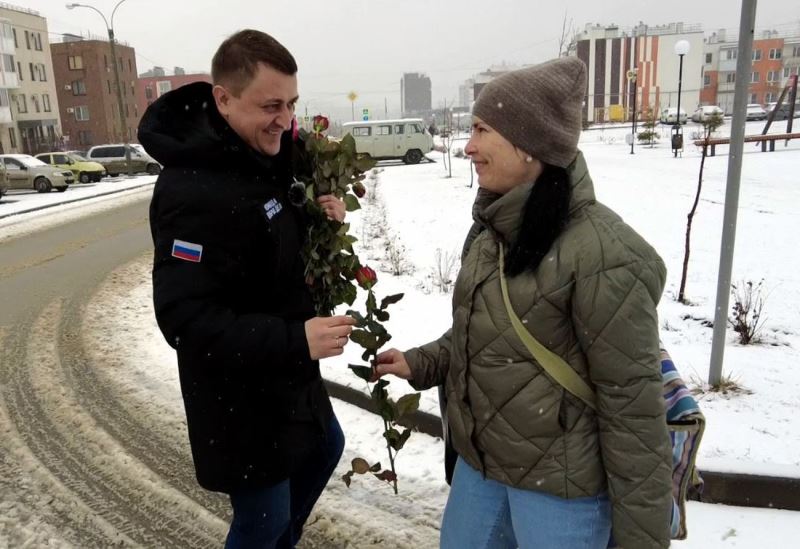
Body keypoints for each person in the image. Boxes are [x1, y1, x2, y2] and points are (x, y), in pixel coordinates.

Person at [376, 57, 673, 549]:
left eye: (482, 129)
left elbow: (633, 412)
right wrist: (420, 362)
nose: (468, 146)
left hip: (561, 492)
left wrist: (642, 541)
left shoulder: (605, 255)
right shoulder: (493, 231)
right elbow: (490, 332)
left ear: (531, 145)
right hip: (482, 469)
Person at [139, 29, 355, 548]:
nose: (286, 119)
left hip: (286, 375)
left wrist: (320, 216)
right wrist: (296, 339)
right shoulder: (190, 192)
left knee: (325, 450)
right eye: (271, 106)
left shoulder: (267, 155)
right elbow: (185, 319)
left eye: (292, 104)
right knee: (263, 521)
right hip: (238, 397)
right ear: (223, 99)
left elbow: (264, 232)